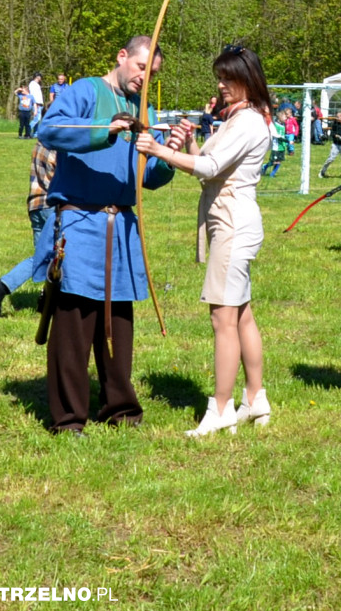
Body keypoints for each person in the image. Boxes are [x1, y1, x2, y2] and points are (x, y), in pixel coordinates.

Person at [35, 35, 176, 435]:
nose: (144, 77)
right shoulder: (86, 91)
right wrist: (105, 131)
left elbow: (148, 177)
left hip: (121, 230)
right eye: (140, 67)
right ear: (122, 57)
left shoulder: (143, 108)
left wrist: (167, 158)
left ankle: (121, 409)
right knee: (74, 326)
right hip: (81, 226)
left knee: (119, 327)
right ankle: (68, 418)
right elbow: (50, 129)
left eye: (152, 73)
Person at [136, 44, 273, 436]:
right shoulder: (237, 120)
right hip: (229, 221)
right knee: (241, 312)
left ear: (247, 80)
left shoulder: (247, 122)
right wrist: (189, 140)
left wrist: (159, 149)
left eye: (228, 78)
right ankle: (256, 398)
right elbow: (209, 168)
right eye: (221, 77)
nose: (221, 84)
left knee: (222, 317)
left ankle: (221, 409)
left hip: (233, 224)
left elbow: (211, 167)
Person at [0, 142, 57, 317]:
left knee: (44, 258)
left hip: (36, 205)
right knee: (63, 257)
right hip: (53, 207)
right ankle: (1, 288)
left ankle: (1, 288)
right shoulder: (60, 143)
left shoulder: (41, 142)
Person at [320, 110, 341, 178]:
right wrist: (337, 136)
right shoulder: (335, 124)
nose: (337, 118)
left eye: (338, 117)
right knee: (331, 159)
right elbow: (332, 134)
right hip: (336, 145)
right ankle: (322, 172)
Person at [263, 109, 287, 177]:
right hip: (276, 147)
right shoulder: (275, 125)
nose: (286, 118)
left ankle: (272, 174)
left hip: (282, 147)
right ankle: (265, 167)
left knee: (279, 161)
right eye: (284, 117)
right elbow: (274, 133)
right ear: (280, 117)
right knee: (274, 162)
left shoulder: (283, 125)